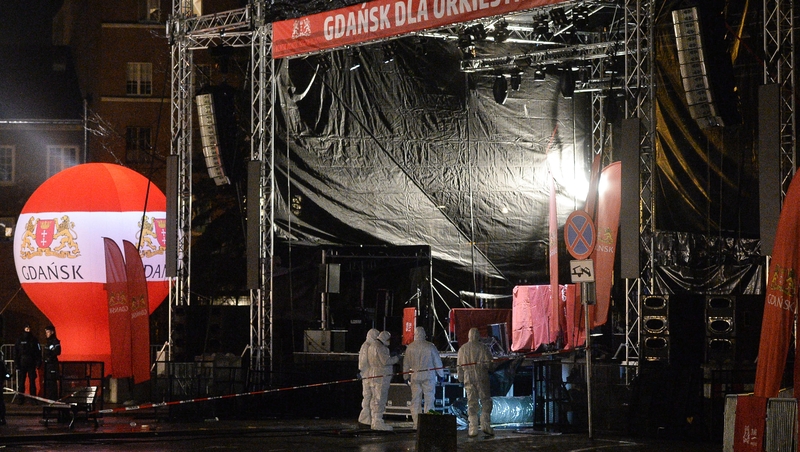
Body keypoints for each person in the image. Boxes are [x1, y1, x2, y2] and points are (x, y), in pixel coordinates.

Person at [403, 326, 444, 429]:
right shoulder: (430, 346)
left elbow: (406, 364)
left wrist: (405, 376)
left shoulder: (410, 347)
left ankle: (416, 423)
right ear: (424, 334)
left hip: (415, 376)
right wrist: (441, 375)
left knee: (415, 400)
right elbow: (437, 362)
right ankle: (428, 423)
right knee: (429, 399)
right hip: (428, 376)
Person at [457, 327, 494, 437]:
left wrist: (461, 378)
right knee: (485, 400)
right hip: (482, 376)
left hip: (468, 377)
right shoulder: (483, 348)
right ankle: (485, 424)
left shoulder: (463, 349)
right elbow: (489, 364)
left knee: (471, 402)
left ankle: (472, 427)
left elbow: (459, 366)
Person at [366, 330, 398, 431]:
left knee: (374, 399)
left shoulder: (371, 346)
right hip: (381, 377)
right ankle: (378, 421)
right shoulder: (381, 347)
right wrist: (397, 358)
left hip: (373, 375)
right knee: (380, 399)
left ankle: (374, 420)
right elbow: (386, 361)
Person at [357, 328, 380, 426]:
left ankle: (368, 419)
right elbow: (363, 363)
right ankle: (365, 419)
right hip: (368, 376)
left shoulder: (370, 346)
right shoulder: (366, 346)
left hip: (370, 375)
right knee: (368, 396)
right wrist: (363, 372)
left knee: (371, 397)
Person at [14, 324, 41, 404]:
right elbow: (16, 352)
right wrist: (16, 363)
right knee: (21, 382)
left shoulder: (34, 339)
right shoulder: (19, 339)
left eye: (29, 328)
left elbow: (38, 351)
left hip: (31, 362)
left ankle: (33, 399)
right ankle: (20, 399)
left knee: (32, 381)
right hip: (22, 362)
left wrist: (38, 361)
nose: (28, 330)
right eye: (26, 328)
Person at [43, 325, 62, 401]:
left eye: (48, 332)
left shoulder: (54, 341)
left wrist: (51, 352)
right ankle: (50, 398)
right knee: (48, 382)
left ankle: (53, 398)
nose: (46, 334)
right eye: (46, 332)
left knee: (52, 382)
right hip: (48, 364)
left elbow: (58, 352)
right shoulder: (48, 342)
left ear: (52, 332)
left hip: (52, 364)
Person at [1, 348, 9, 425]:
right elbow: (6, 373)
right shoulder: (1, 363)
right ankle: (2, 418)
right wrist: (8, 376)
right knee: (1, 402)